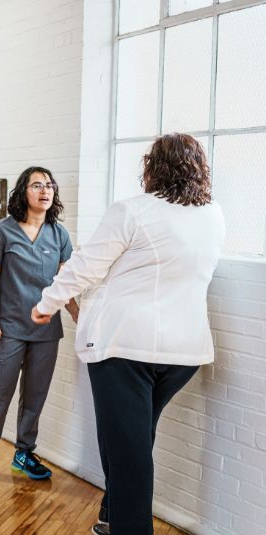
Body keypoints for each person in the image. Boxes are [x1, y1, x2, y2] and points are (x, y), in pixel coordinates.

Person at [32, 134, 225, 535]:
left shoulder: (133, 211)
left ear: (152, 167)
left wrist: (46, 304)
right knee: (132, 440)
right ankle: (110, 517)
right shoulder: (212, 215)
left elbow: (86, 265)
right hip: (183, 354)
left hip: (126, 348)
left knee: (128, 449)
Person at [0, 166, 79, 483]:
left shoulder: (59, 234)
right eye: (37, 185)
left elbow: (65, 282)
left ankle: (24, 453)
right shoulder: (3, 230)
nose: (45, 190)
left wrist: (78, 315)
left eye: (50, 185)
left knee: (35, 394)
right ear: (22, 192)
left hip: (46, 331)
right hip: (9, 327)